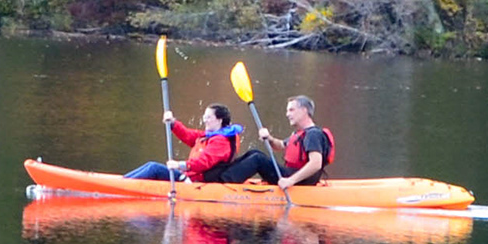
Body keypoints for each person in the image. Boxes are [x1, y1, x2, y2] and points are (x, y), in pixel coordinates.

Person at [206, 94, 334, 188]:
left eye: (291, 110)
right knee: (254, 153)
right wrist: (269, 138)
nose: (287, 114)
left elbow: (316, 163)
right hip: (291, 174)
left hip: (300, 180)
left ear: (304, 111)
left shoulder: (313, 134)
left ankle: (221, 183)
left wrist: (290, 181)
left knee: (257, 159)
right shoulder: (300, 133)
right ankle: (222, 174)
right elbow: (280, 146)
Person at [126, 102, 244, 183]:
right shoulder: (209, 136)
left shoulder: (221, 141)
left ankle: (123, 185)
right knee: (150, 165)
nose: (205, 121)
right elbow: (188, 135)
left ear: (219, 120)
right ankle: (124, 181)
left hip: (194, 180)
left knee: (154, 168)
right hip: (190, 176)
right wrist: (172, 123)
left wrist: (180, 165)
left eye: (208, 117)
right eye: (204, 117)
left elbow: (204, 162)